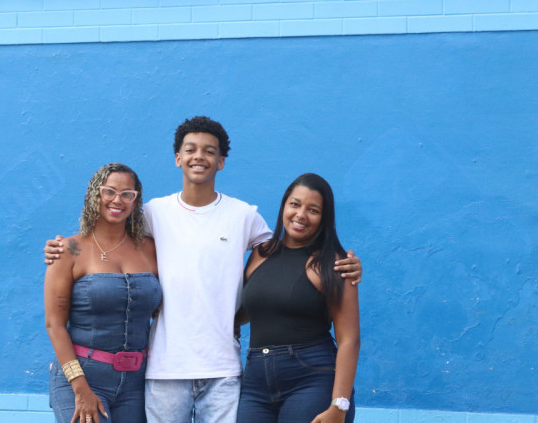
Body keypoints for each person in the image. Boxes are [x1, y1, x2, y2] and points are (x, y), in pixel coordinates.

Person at [46, 117, 361, 423]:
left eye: (210, 151)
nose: (199, 156)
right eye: (191, 149)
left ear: (221, 161)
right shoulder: (153, 213)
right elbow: (107, 238)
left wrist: (343, 264)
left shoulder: (244, 216)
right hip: (164, 369)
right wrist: (62, 248)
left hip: (223, 370)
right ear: (178, 158)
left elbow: (285, 259)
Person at [235, 173, 359, 423]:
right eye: (295, 204)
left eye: (313, 210)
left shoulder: (334, 264)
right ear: (284, 206)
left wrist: (339, 405)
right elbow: (247, 312)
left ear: (324, 217)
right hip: (256, 379)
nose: (301, 215)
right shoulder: (261, 253)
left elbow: (350, 340)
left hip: (311, 378)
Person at [45, 163, 162, 423]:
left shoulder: (151, 249)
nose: (117, 200)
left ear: (135, 200)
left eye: (127, 194)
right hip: (83, 376)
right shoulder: (68, 250)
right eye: (109, 191)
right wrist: (80, 387)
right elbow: (54, 325)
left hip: (136, 383)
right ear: (94, 195)